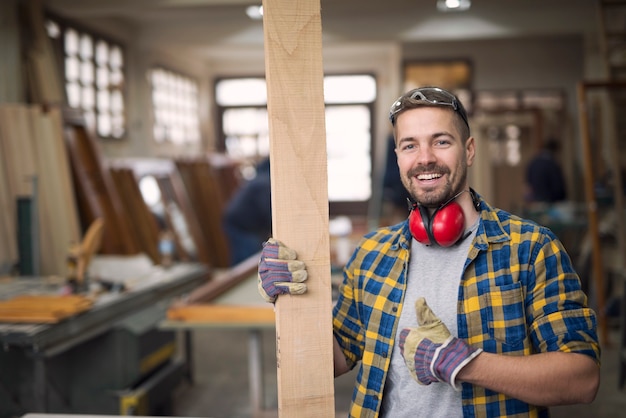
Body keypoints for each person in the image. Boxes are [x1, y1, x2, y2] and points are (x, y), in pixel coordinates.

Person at [257, 87, 600, 417]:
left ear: (468, 150)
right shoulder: (372, 255)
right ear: (398, 157)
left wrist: (467, 364)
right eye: (410, 146)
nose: (425, 158)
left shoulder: (529, 249)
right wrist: (291, 305)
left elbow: (582, 380)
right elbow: (331, 362)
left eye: (441, 141)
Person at [222, 157, 272, 265]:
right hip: (242, 226)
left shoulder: (260, 178)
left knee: (244, 257)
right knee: (247, 261)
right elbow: (268, 212)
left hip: (239, 222)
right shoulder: (264, 183)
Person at [525, 138, 567, 203]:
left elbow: (528, 185)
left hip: (536, 200)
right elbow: (558, 187)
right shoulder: (552, 164)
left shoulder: (533, 162)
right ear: (555, 150)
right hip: (550, 201)